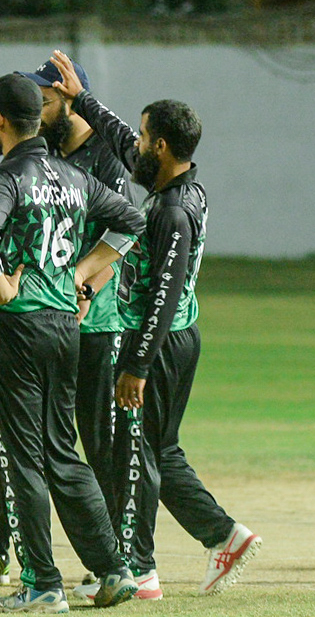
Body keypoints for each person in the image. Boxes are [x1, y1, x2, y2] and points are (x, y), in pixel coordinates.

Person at [49, 49, 262, 597]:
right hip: (173, 338)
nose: (136, 145)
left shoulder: (171, 212)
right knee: (159, 450)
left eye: (145, 138)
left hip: (160, 342)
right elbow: (120, 138)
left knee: (136, 452)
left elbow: (163, 298)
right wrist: (82, 100)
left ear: (162, 147)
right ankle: (224, 536)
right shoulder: (178, 187)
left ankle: (139, 568)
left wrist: (137, 366)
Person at [0, 59, 140, 595]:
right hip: (63, 329)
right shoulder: (72, 176)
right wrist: (81, 272)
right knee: (62, 451)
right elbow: (132, 221)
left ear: (0, 120)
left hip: (16, 330)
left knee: (20, 458)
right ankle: (113, 569)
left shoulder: (7, 176)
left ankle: (42, 584)